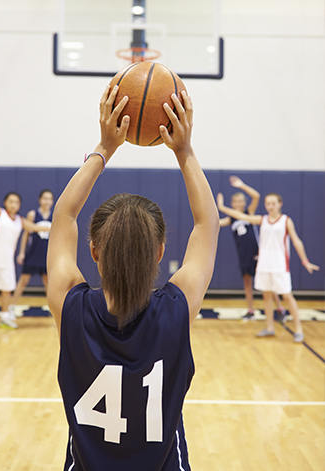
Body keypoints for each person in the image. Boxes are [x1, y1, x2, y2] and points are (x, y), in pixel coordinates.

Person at [47, 85, 219, 470]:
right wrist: (184, 150)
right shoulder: (177, 310)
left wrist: (104, 148)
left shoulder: (70, 307)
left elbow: (63, 218)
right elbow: (208, 223)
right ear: (160, 252)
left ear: (93, 250)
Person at [217, 192, 319, 342]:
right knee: (266, 296)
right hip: (264, 264)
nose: (270, 206)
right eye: (268, 204)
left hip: (280, 265)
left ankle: (298, 329)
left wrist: (305, 261)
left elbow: (296, 241)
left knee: (287, 296)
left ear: (279, 204)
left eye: (273, 203)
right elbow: (241, 216)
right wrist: (221, 207)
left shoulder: (286, 221)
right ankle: (270, 328)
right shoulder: (262, 219)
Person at [0, 175, 50, 331]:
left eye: (16, 202)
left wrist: (54, 226)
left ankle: (5, 317)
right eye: (11, 201)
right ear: (5, 203)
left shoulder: (20, 220)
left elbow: (36, 228)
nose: (14, 204)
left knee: (7, 289)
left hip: (7, 262)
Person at [219, 176, 285, 321]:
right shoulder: (231, 219)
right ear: (232, 204)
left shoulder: (250, 213)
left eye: (241, 201)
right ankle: (250, 310)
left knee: (268, 282)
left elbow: (256, 195)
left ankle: (280, 308)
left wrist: (241, 185)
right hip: (243, 254)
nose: (238, 203)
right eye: (236, 201)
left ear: (244, 203)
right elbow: (216, 223)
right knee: (247, 282)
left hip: (256, 252)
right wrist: (216, 206)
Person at [9, 189, 54, 316]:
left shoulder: (54, 215)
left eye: (50, 199)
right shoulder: (33, 215)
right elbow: (25, 234)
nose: (47, 201)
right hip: (33, 253)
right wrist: (22, 252)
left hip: (47, 254)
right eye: (45, 198)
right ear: (40, 200)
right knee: (23, 281)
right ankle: (12, 307)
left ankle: (53, 307)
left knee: (48, 283)